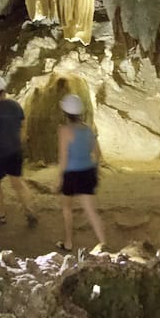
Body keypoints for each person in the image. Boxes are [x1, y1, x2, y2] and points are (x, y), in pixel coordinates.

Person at [0, 74, 37, 226]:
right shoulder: (15, 105)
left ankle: (1, 214)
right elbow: (23, 126)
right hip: (15, 150)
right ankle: (30, 210)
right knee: (18, 182)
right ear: (4, 89)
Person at [55, 94, 106, 252]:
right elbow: (98, 154)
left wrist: (59, 180)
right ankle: (103, 243)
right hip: (87, 172)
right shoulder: (88, 130)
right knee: (91, 210)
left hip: (71, 174)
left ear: (66, 113)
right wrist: (95, 169)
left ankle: (68, 243)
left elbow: (63, 158)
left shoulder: (64, 131)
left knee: (67, 209)